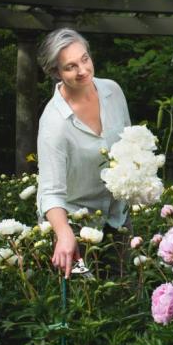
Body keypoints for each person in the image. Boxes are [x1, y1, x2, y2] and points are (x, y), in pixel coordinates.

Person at [36, 28, 131, 278]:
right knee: (84, 306)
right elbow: (50, 192)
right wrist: (64, 234)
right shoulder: (54, 123)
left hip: (117, 219)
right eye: (70, 67)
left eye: (85, 59)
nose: (83, 70)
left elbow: (130, 147)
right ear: (56, 72)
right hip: (75, 226)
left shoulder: (113, 92)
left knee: (125, 298)